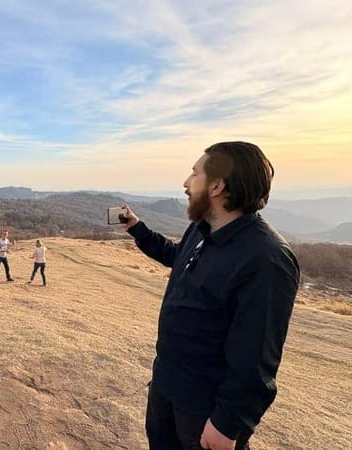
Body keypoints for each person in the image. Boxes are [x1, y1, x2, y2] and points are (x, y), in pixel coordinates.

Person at [121, 142, 299, 450]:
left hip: (204, 411)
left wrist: (228, 424)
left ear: (217, 186)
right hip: (167, 387)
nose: (186, 184)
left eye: (194, 174)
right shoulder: (203, 230)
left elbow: (257, 358)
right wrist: (138, 229)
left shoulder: (265, 258)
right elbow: (176, 257)